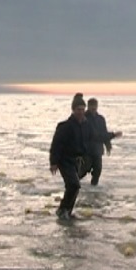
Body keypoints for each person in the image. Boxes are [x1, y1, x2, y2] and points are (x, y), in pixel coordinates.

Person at [49, 94, 91, 222]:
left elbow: (94, 137)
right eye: (78, 109)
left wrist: (110, 136)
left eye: (83, 109)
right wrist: (54, 162)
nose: (81, 112)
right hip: (64, 160)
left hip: (77, 161)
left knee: (73, 187)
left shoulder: (85, 125)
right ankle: (62, 210)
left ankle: (67, 211)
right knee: (74, 185)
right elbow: (56, 144)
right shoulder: (65, 126)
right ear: (73, 110)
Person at [85, 98, 122, 186]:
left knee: (98, 170)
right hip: (86, 150)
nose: (93, 108)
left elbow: (104, 133)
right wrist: (113, 135)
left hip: (97, 150)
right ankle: (75, 188)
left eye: (95, 106)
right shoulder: (84, 118)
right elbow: (94, 135)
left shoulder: (101, 119)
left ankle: (93, 190)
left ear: (97, 106)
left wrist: (108, 146)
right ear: (88, 106)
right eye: (91, 106)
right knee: (83, 171)